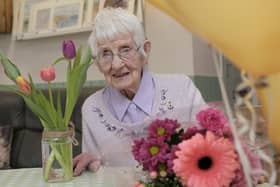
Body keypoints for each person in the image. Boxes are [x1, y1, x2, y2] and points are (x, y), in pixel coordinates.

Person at [73, 7, 205, 176]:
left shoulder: (182, 89)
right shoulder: (93, 107)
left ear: (146, 50)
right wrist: (91, 163)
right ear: (97, 63)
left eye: (125, 49)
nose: (116, 64)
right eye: (105, 54)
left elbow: (213, 148)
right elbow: (95, 174)